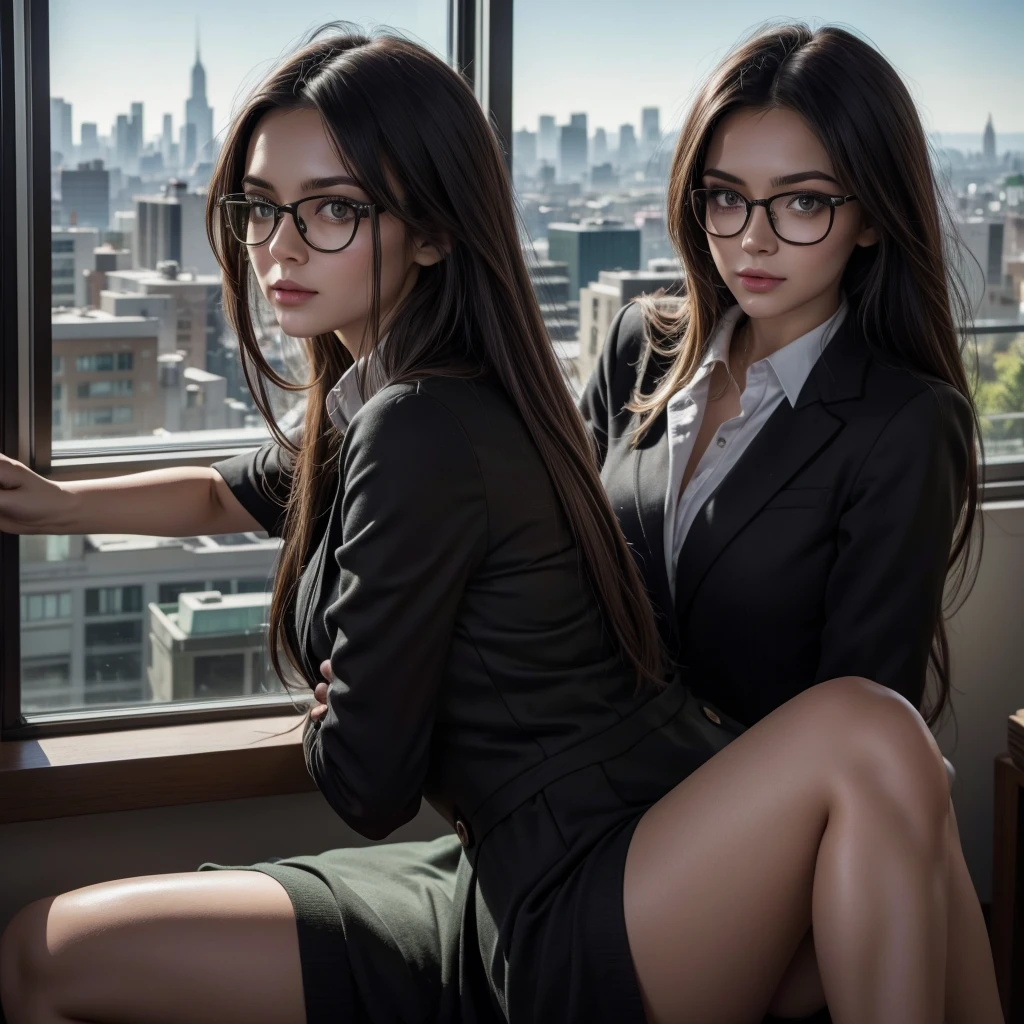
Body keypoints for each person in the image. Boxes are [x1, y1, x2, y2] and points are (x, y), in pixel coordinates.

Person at [0, 23, 1003, 1024]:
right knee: (42, 951)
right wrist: (59, 502)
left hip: (710, 832)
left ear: (867, 216)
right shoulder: (610, 357)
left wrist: (355, 695)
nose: (750, 234)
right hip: (543, 836)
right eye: (724, 197)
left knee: (879, 737)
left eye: (801, 202)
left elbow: (874, 707)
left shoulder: (899, 424)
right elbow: (260, 483)